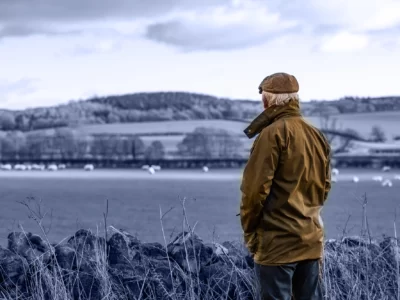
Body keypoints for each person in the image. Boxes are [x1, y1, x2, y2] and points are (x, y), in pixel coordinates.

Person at [239, 72, 332, 300]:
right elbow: (324, 187)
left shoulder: (271, 134)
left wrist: (251, 234)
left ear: (266, 100)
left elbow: (253, 193)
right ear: (295, 99)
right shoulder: (315, 134)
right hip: (310, 240)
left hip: (277, 244)